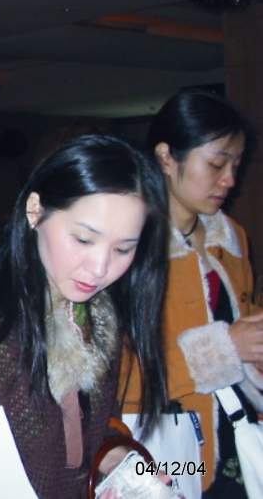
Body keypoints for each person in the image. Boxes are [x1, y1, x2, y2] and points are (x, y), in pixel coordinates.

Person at [0, 134, 170, 499]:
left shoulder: (95, 314)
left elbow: (87, 435)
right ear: (35, 211)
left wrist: (119, 463)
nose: (100, 268)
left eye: (123, 249)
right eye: (84, 239)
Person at [119, 90, 263, 497]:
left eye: (236, 165)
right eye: (217, 163)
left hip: (238, 434)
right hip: (166, 445)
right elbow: (112, 378)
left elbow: (243, 326)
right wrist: (224, 347)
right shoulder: (126, 246)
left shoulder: (231, 237)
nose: (229, 180)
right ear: (166, 157)